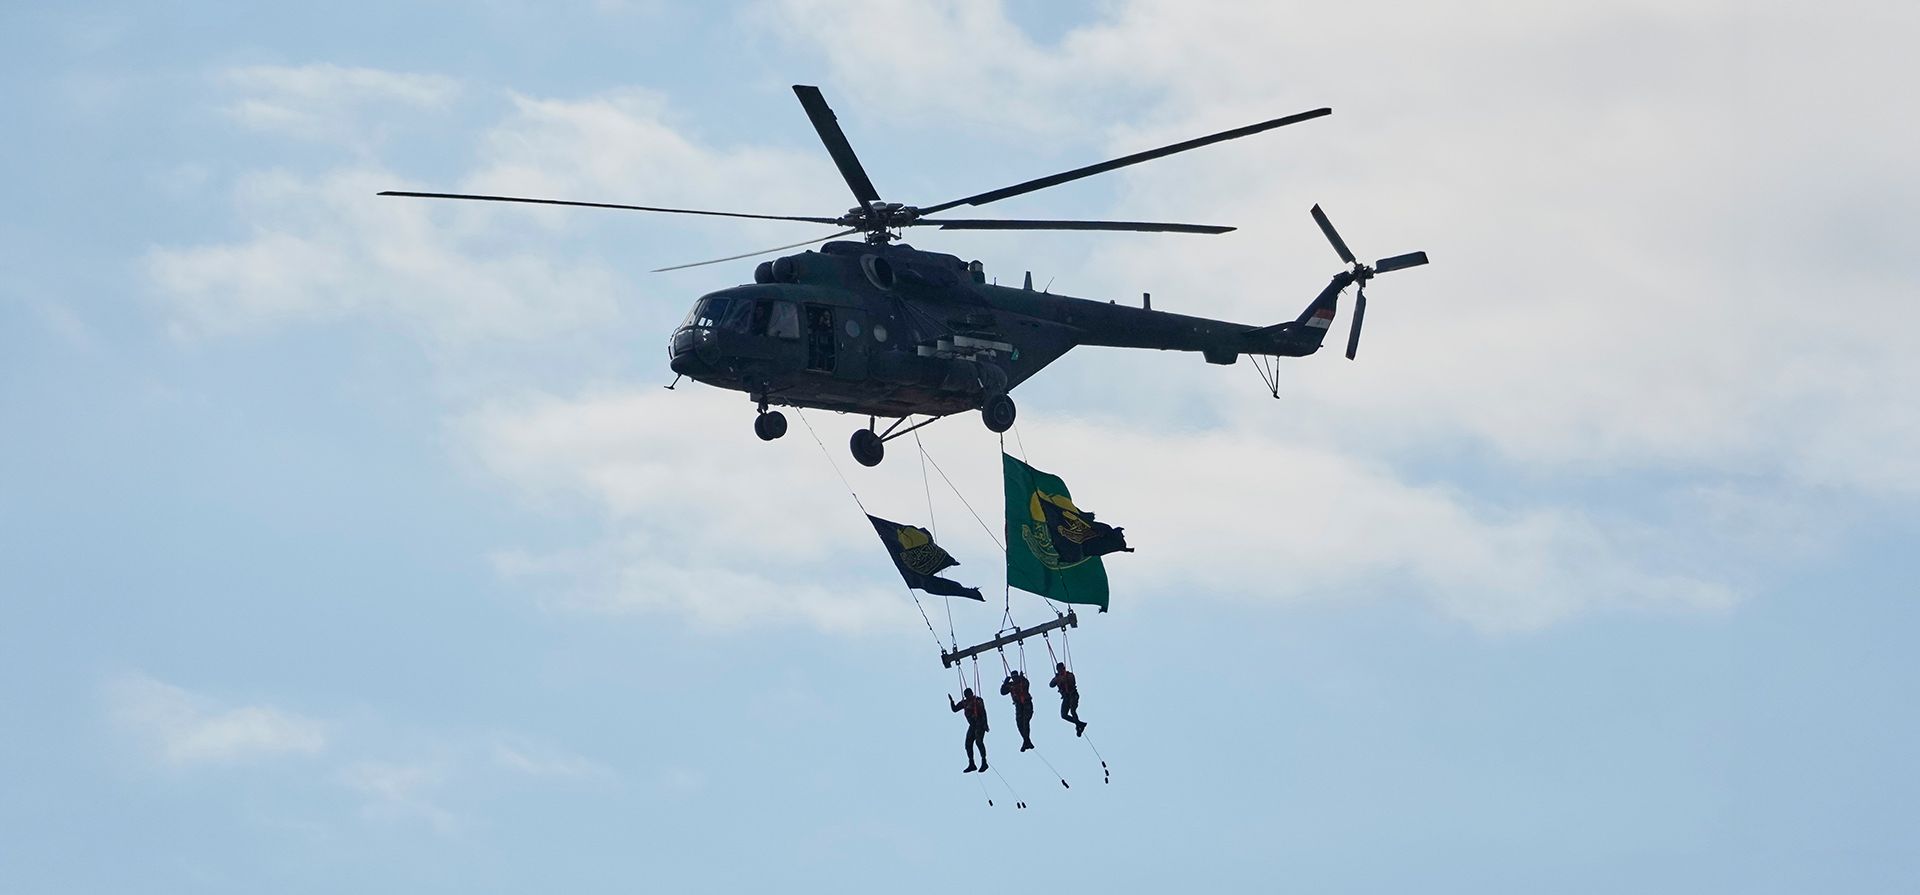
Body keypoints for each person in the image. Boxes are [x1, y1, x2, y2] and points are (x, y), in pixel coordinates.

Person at [948, 688, 989, 772]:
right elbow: (955, 709)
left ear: (972, 693)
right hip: (972, 726)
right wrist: (952, 701)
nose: (968, 696)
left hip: (980, 723)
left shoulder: (977, 700)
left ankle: (984, 762)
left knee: (979, 742)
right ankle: (972, 764)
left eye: (969, 694)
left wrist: (985, 724)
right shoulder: (964, 703)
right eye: (966, 695)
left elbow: (983, 712)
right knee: (968, 744)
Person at [999, 670, 1036, 751]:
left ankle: (1026, 741)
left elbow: (1027, 685)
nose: (1015, 679)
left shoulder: (1023, 682)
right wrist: (1005, 683)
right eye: (1013, 677)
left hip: (1027, 704)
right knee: (1019, 724)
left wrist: (1022, 677)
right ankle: (1026, 741)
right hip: (1018, 705)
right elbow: (1002, 692)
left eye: (1016, 677)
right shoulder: (1010, 685)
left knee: (1025, 722)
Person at [1048, 662, 1087, 736]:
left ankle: (1079, 726)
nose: (1060, 671)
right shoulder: (1058, 677)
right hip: (1066, 698)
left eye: (1061, 669)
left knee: (1073, 711)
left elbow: (1072, 682)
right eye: (1059, 670)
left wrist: (1064, 679)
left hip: (1073, 695)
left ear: (1064, 668)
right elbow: (1051, 685)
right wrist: (1056, 679)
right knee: (1063, 715)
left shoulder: (1069, 675)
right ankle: (1080, 724)